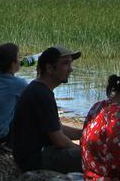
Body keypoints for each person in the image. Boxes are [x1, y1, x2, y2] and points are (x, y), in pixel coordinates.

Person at [9, 45, 83, 174]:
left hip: (31, 155)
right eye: (66, 64)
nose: (70, 69)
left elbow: (57, 128)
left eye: (70, 64)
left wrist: (85, 134)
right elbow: (59, 140)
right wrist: (84, 153)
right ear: (49, 68)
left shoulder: (39, 89)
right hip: (35, 159)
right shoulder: (41, 94)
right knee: (98, 160)